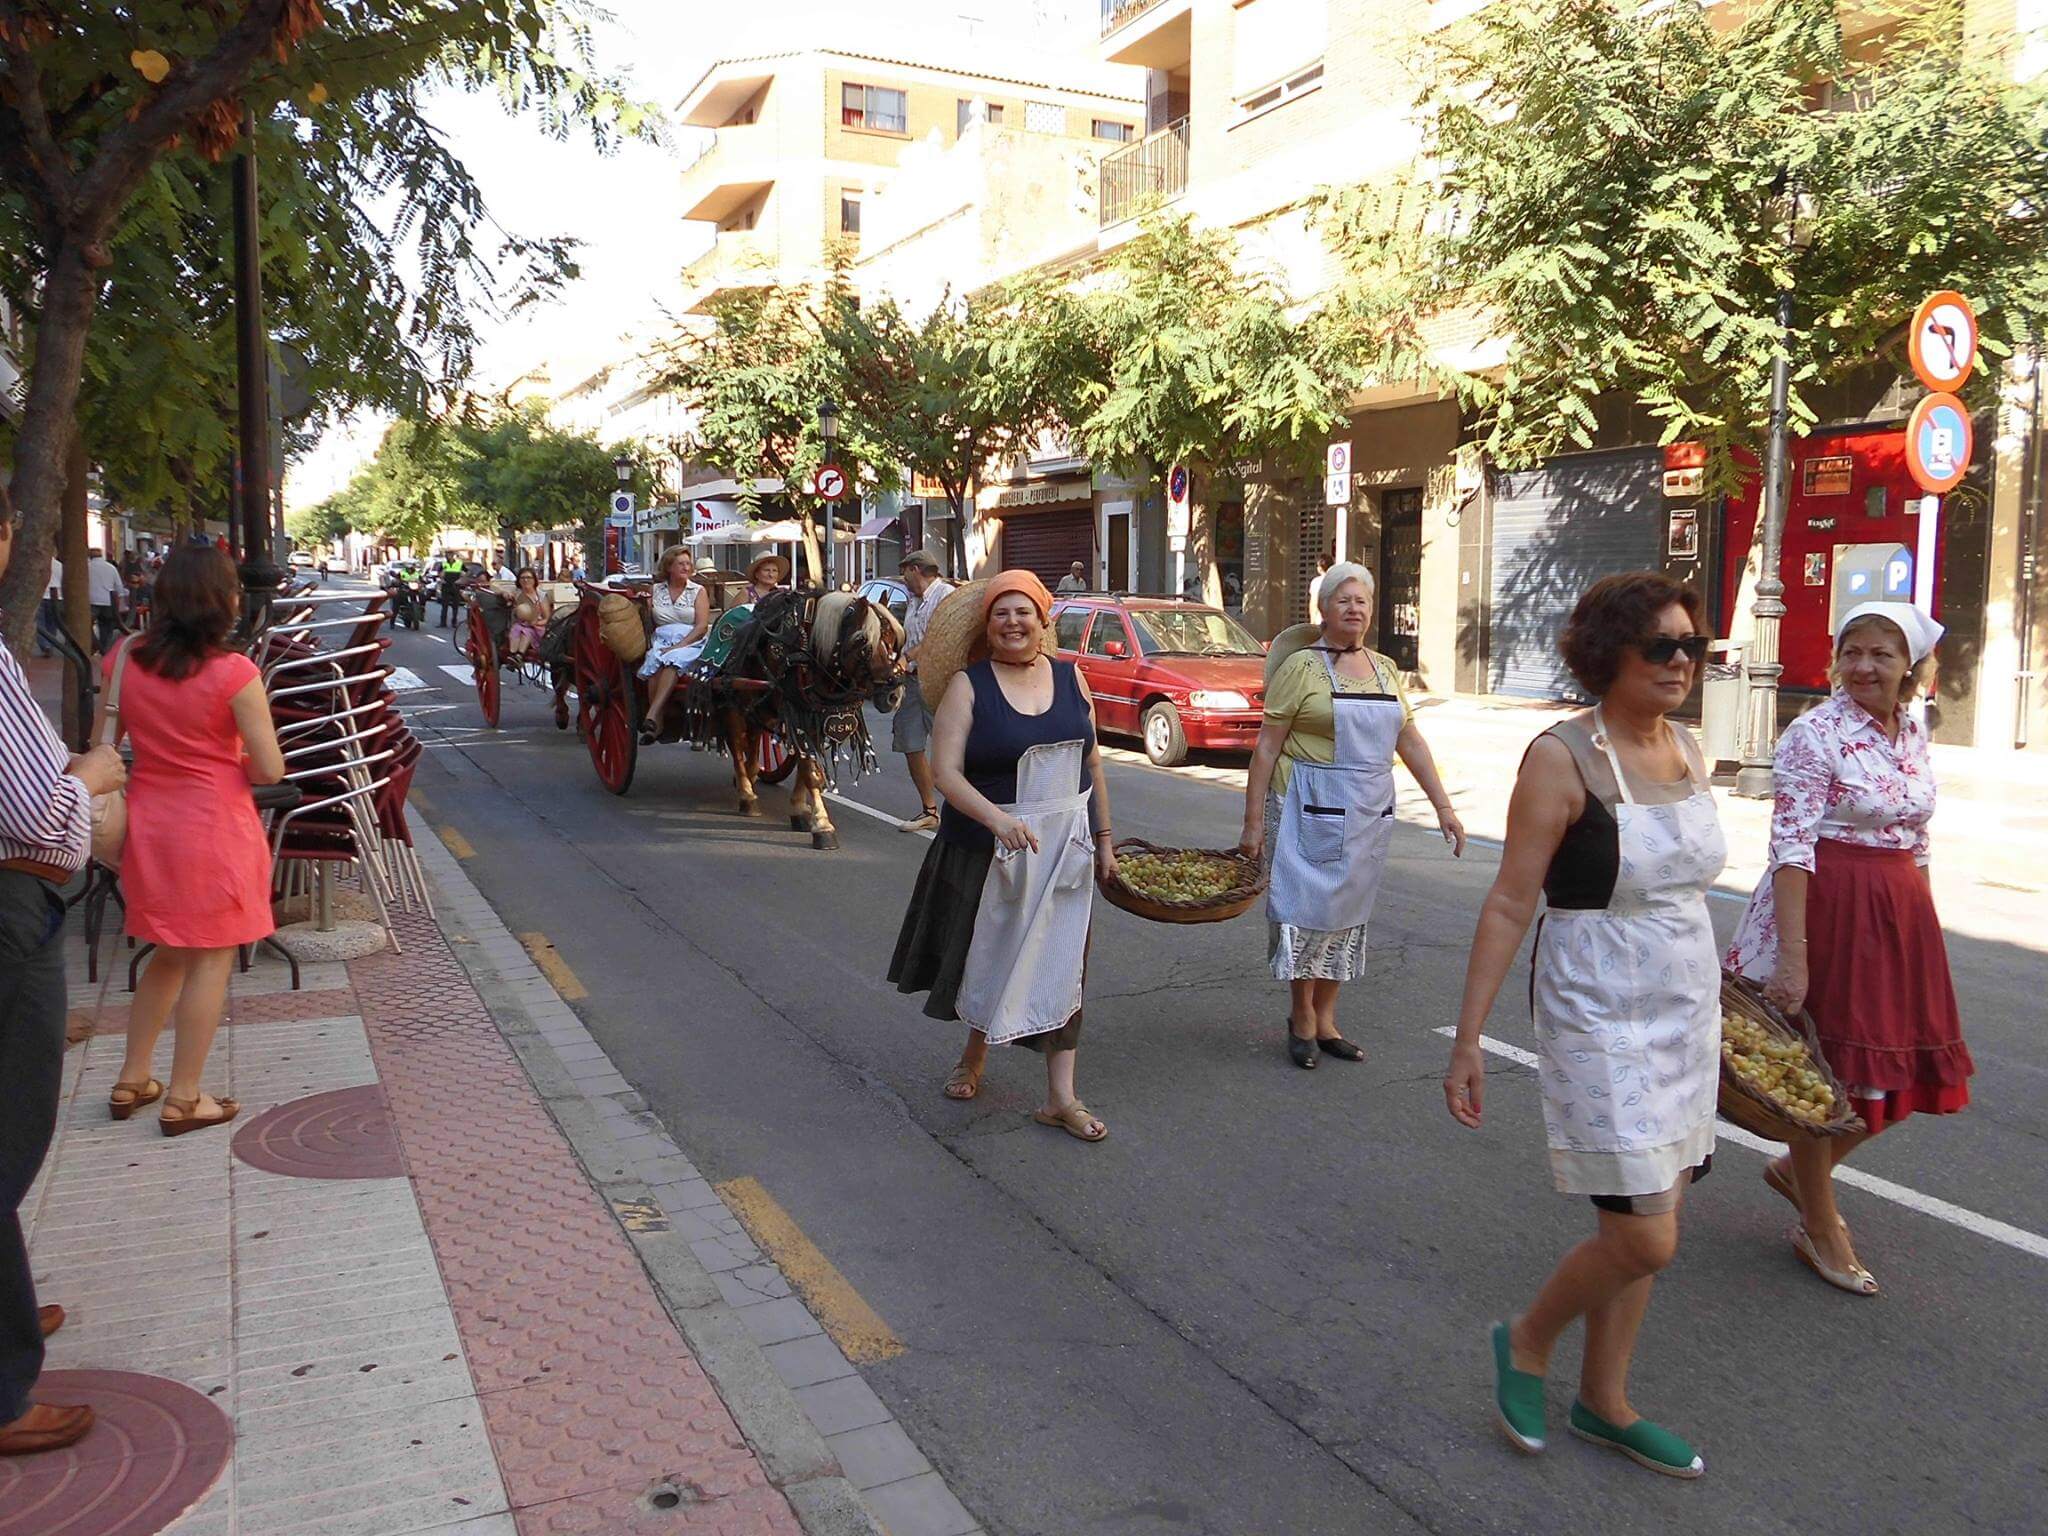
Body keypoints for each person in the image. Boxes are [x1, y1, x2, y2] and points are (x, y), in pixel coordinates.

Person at [1444, 572, 1722, 1479]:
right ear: (1610, 657)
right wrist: (1468, 1039)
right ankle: (1526, 1339)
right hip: (1597, 1005)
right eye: (1661, 648)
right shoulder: (1562, 759)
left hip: (1685, 1004)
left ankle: (1606, 1402)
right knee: (1645, 1234)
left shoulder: (1692, 749)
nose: (1682, 663)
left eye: (1693, 646)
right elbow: (1509, 902)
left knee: (1648, 1211)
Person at [1726, 601, 1971, 1296]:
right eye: (1853, 651)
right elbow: (1792, 847)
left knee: (1903, 1071)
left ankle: (1797, 1174)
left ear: (1911, 669)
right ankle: (1820, 1222)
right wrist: (1796, 958)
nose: (1864, 666)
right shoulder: (1815, 733)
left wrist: (1923, 921)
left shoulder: (1913, 730)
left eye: (1882, 655)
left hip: (1898, 911)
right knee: (1829, 1072)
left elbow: (1918, 834)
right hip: (1827, 905)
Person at [889, 571, 1120, 1141]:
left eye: (1024, 613)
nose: (1013, 623)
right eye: (1001, 614)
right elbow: (945, 774)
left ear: (1044, 622)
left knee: (1063, 964)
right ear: (986, 627)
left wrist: (1107, 842)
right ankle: (974, 1053)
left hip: (1064, 852)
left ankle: (1061, 1098)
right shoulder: (969, 687)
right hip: (983, 849)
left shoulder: (1074, 681)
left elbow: (1092, 767)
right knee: (985, 957)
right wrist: (997, 820)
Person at [0, 484, 125, 1455]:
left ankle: (9, 1308)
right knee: (12, 1121)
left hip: (25, 894)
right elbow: (43, 817)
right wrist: (90, 777)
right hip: (14, 897)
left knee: (18, 1115)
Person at [1239, 564, 1463, 1068]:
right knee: (1305, 914)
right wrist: (1253, 823)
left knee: (1347, 918)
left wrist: (1443, 807)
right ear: (1323, 610)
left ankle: (1327, 1018)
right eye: (1343, 600)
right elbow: (1266, 749)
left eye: (1362, 600)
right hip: (1305, 805)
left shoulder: (1385, 668)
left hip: (1366, 811)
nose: (1354, 609)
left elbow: (1409, 739)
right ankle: (1300, 1016)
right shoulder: (1302, 668)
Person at [103, 543, 285, 1137]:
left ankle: (132, 1077)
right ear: (222, 602)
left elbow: (107, 742)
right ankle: (184, 1096)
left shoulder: (124, 658)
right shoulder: (234, 673)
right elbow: (268, 770)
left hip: (150, 826)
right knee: (211, 958)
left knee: (165, 951)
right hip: (213, 827)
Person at [892, 548, 954, 832]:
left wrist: (907, 658)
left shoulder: (944, 595)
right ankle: (930, 810)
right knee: (911, 744)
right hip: (912, 682)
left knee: (951, 749)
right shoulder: (914, 600)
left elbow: (939, 639)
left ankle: (964, 810)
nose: (903, 578)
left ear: (916, 569)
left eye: (904, 571)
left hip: (939, 681)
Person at [638, 547, 710, 744]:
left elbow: (702, 625)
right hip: (661, 637)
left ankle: (653, 713)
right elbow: (647, 619)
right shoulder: (656, 590)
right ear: (669, 566)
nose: (686, 567)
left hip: (690, 640)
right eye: (681, 563)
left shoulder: (698, 591)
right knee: (655, 661)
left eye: (688, 563)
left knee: (672, 660)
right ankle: (657, 723)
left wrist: (680, 645)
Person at [505, 566, 552, 662]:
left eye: (529, 577)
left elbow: (547, 618)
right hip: (519, 623)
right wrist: (505, 595)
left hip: (537, 626)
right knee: (517, 629)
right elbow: (504, 594)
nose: (526, 580)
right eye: (522, 578)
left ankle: (519, 655)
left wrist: (535, 624)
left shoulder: (541, 595)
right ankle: (513, 654)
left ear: (534, 580)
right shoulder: (516, 594)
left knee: (527, 631)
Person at [86, 546, 124, 650]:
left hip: (91, 601)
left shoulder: (86, 567)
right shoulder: (111, 568)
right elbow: (119, 586)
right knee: (106, 625)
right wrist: (121, 599)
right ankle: (104, 646)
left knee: (87, 625)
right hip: (108, 601)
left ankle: (94, 645)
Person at [33, 553, 61, 658]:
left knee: (40, 622)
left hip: (41, 595)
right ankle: (51, 642)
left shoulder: (38, 564)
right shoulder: (60, 566)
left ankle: (45, 645)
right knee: (52, 623)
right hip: (56, 597)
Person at [437, 559, 466, 629]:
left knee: (455, 605)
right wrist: (441, 577)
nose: (449, 556)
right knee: (444, 605)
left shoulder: (459, 564)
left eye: (451, 554)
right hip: (446, 586)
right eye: (448, 554)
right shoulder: (443, 564)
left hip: (455, 586)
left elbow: (465, 573)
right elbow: (439, 573)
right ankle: (443, 623)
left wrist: (461, 578)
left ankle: (454, 622)